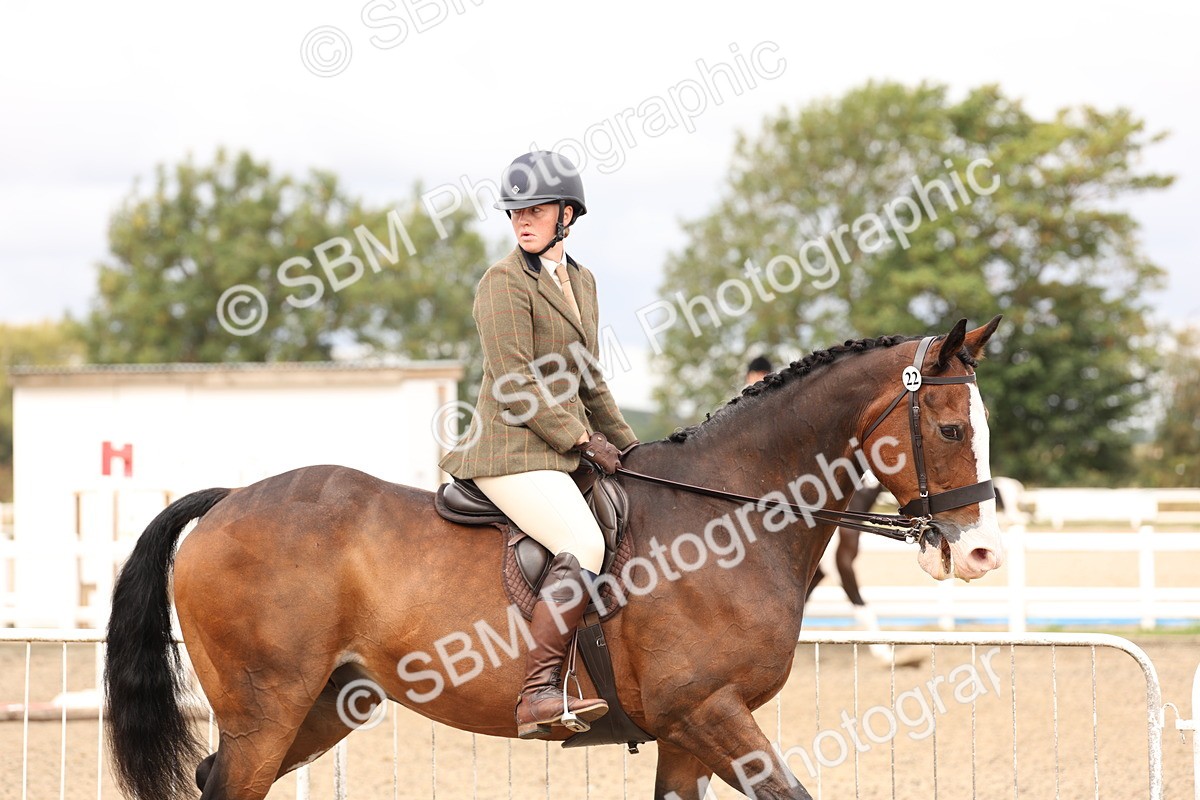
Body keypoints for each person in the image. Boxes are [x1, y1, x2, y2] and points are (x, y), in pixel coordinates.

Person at [438, 151, 639, 739]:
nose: (522, 219)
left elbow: (589, 379)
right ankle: (538, 694)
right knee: (582, 539)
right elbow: (513, 381)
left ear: (568, 214)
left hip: (559, 451)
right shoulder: (501, 282)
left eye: (536, 208)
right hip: (509, 450)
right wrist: (581, 438)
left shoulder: (584, 281)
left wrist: (631, 451)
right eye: (514, 210)